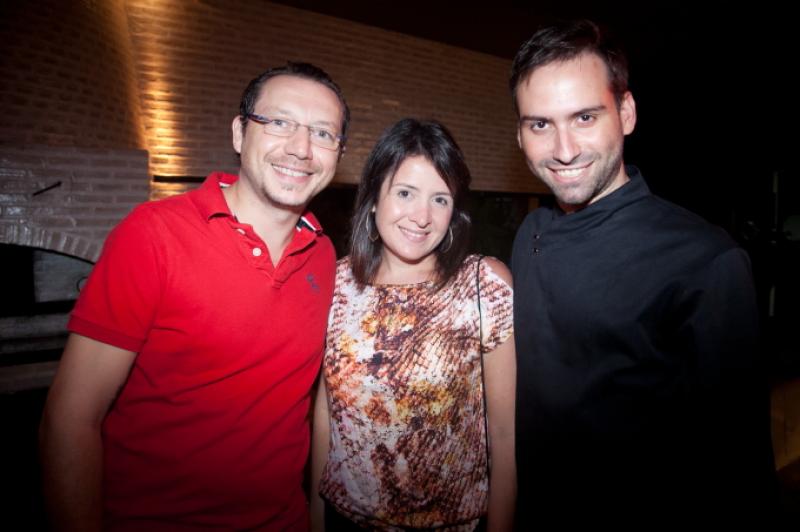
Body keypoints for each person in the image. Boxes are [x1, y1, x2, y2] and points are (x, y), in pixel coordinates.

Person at [39, 62, 349, 531]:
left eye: (322, 133)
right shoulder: (152, 236)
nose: (301, 148)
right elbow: (69, 420)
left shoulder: (323, 255)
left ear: (338, 154)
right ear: (240, 133)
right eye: (279, 122)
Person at [509, 20, 776, 524]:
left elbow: (741, 469)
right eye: (540, 124)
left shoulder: (704, 259)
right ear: (520, 134)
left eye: (584, 117)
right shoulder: (530, 234)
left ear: (626, 113)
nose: (564, 149)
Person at [310, 118, 516, 531]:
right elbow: (326, 415)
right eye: (405, 193)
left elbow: (504, 433)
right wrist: (315, 519)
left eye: (440, 199)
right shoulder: (337, 283)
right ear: (374, 198)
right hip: (345, 519)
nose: (422, 217)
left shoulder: (483, 285)